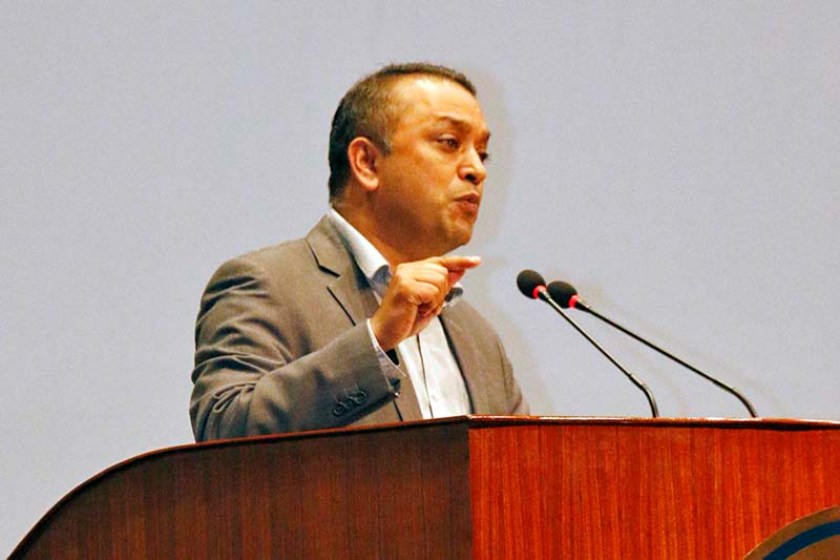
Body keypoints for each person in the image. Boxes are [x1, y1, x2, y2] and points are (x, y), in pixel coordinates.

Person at [190, 62, 528, 442]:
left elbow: (524, 466)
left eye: (483, 154)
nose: (476, 170)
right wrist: (376, 340)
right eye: (450, 142)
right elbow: (224, 429)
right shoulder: (267, 284)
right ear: (367, 163)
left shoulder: (477, 337)